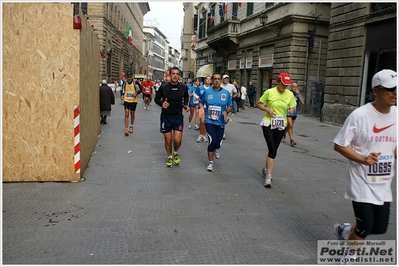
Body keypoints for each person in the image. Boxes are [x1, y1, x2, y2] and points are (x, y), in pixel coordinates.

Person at [332, 69, 397, 264]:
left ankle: (344, 231)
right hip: (360, 179)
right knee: (365, 225)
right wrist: (363, 159)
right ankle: (350, 257)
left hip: (383, 180)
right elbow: (339, 145)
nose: (395, 93)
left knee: (378, 228)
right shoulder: (359, 115)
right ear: (376, 91)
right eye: (390, 89)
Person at [256, 72, 297, 188]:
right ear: (278, 81)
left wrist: (292, 110)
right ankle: (268, 176)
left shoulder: (289, 94)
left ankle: (266, 169)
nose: (285, 87)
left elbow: (293, 107)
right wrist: (267, 110)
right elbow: (258, 104)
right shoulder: (269, 92)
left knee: (273, 151)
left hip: (280, 124)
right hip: (268, 123)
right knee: (272, 149)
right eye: (283, 84)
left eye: (287, 85)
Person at [154, 67, 189, 167]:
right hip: (166, 116)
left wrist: (185, 104)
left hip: (178, 116)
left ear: (179, 76)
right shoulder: (164, 86)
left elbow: (186, 96)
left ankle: (175, 152)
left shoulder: (183, 86)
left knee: (177, 140)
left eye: (177, 74)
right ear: (169, 75)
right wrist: (162, 104)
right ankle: (169, 157)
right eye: (173, 73)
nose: (175, 75)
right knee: (168, 140)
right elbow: (156, 98)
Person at [198, 73, 233, 172]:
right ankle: (210, 162)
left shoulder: (226, 93)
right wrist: (201, 108)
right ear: (212, 80)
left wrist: (227, 111)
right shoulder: (207, 92)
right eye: (215, 79)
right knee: (212, 141)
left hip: (221, 122)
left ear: (221, 81)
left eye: (219, 79)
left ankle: (217, 148)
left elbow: (230, 105)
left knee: (218, 143)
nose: (217, 81)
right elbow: (201, 102)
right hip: (209, 121)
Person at [121, 71, 141, 136]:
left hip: (133, 101)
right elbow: (123, 90)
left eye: (130, 77)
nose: (129, 78)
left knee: (132, 114)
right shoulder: (124, 83)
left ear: (132, 77)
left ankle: (131, 125)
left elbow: (141, 89)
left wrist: (136, 93)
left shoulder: (135, 83)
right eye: (128, 77)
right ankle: (126, 128)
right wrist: (122, 95)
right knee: (126, 114)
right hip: (126, 100)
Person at [284, 82, 305, 146]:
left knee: (290, 126)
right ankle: (292, 140)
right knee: (290, 125)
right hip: (288, 112)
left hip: (295, 113)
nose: (295, 88)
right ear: (291, 87)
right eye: (294, 87)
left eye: (296, 87)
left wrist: (298, 95)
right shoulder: (288, 93)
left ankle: (284, 133)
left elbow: (302, 102)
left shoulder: (297, 94)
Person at [196, 75, 212, 143]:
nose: (208, 80)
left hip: (209, 108)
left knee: (206, 122)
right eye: (207, 79)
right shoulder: (200, 87)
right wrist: (198, 98)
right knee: (202, 121)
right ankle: (201, 134)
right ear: (205, 80)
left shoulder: (212, 89)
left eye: (209, 79)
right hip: (202, 106)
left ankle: (203, 135)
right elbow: (195, 94)